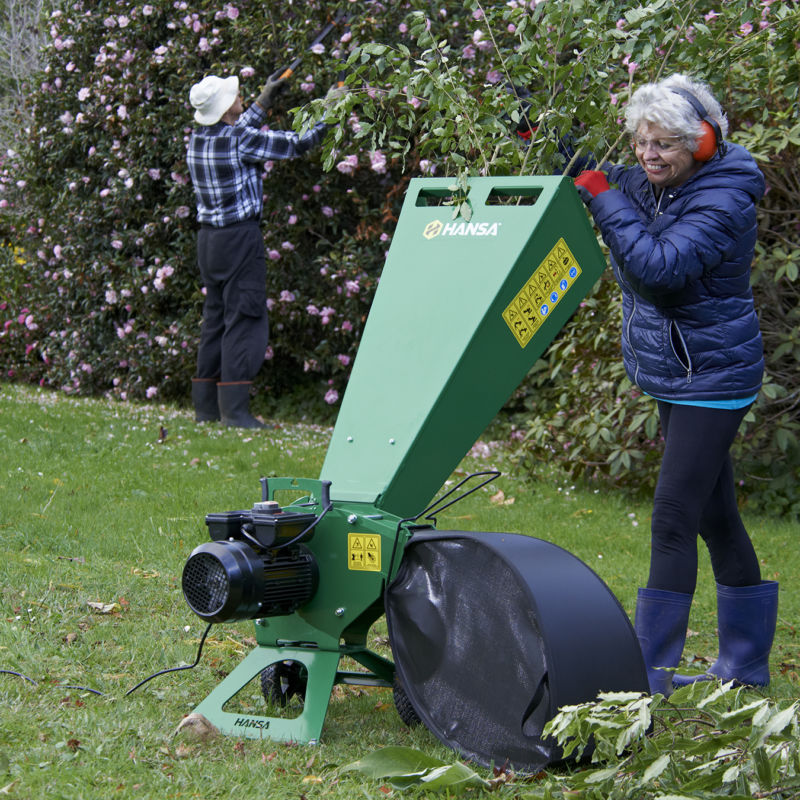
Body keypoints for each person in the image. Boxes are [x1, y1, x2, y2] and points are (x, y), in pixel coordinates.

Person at [573, 74, 778, 696]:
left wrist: (603, 197)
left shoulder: (729, 190)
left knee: (671, 518)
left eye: (663, 145)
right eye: (640, 142)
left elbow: (660, 270)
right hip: (674, 371)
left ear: (703, 143)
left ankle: (647, 677)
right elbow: (589, 170)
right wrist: (536, 124)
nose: (648, 156)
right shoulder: (649, 178)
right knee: (715, 516)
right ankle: (744, 667)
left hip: (714, 375)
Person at [186, 72, 335, 427]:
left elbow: (237, 130)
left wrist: (265, 100)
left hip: (210, 242)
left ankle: (206, 410)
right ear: (225, 111)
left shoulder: (198, 139)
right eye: (234, 96)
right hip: (239, 239)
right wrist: (330, 108)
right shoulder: (239, 138)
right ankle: (236, 414)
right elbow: (298, 143)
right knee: (245, 317)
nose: (240, 96)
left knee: (216, 320)